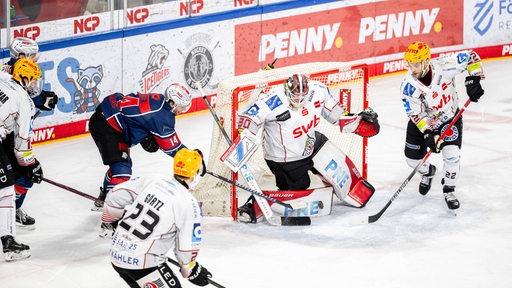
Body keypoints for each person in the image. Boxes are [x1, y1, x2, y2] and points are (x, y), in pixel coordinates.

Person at [236, 73, 380, 222]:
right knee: (299, 189)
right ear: (287, 90)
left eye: (302, 96)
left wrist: (358, 123)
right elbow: (249, 119)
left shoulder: (319, 90)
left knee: (336, 163)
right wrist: (243, 139)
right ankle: (254, 207)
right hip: (285, 156)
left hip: (310, 141)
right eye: (294, 96)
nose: (298, 100)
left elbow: (336, 116)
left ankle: (351, 188)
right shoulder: (272, 99)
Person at [89, 82, 200, 234]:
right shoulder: (163, 116)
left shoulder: (160, 101)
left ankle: (104, 198)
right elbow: (173, 148)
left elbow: (139, 117)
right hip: (107, 124)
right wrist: (194, 159)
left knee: (121, 166)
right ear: (172, 102)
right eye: (182, 106)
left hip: (111, 118)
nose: (183, 110)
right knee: (122, 171)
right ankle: (109, 222)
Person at [101, 148, 212, 287]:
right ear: (196, 173)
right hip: (144, 266)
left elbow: (114, 195)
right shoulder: (189, 203)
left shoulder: (152, 179)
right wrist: (189, 269)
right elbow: (186, 245)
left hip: (116, 255)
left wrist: (113, 220)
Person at [400, 41, 485, 210]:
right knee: (412, 161)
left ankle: (449, 189)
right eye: (409, 64)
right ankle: (428, 172)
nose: (412, 68)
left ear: (426, 61)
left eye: (415, 64)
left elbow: (471, 56)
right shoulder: (408, 86)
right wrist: (428, 133)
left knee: (452, 155)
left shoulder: (444, 65)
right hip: (424, 123)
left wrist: (473, 78)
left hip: (448, 117)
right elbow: (416, 114)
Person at [1, 37, 58, 229]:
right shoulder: (15, 80)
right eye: (33, 55)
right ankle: (9, 216)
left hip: (7, 134)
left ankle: (11, 211)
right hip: (8, 138)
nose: (36, 58)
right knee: (22, 176)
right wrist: (32, 164)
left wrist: (40, 99)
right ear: (22, 56)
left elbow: (24, 94)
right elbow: (23, 99)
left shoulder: (5, 73)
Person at [0, 59, 45, 261]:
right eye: (33, 81)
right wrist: (32, 165)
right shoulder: (24, 100)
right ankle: (9, 244)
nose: (34, 85)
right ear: (24, 78)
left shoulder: (2, 77)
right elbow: (22, 146)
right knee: (6, 190)